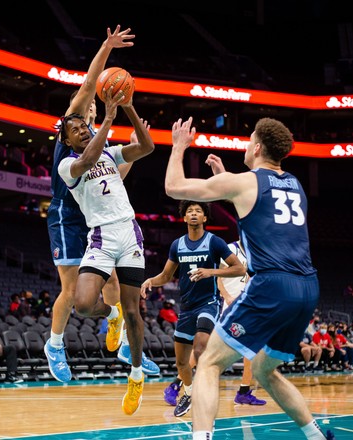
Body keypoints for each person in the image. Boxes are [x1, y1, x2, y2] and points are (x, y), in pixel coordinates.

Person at [164, 117, 335, 439]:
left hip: (272, 285)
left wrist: (178, 147)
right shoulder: (295, 184)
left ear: (257, 147)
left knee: (210, 363)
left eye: (248, 140)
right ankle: (316, 435)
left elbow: (173, 187)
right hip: (307, 287)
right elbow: (259, 209)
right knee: (264, 370)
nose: (245, 145)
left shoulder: (246, 181)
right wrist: (224, 179)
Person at [43, 25, 159, 389]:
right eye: (86, 105)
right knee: (71, 285)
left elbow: (115, 179)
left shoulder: (101, 144)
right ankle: (55, 345)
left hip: (98, 218)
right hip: (67, 213)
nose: (89, 106)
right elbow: (90, 82)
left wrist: (133, 148)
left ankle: (124, 341)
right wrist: (107, 47)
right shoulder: (71, 132)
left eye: (93, 106)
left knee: (112, 281)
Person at [57, 79, 154, 415]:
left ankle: (137, 375)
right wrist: (109, 118)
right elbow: (88, 160)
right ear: (66, 140)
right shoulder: (67, 166)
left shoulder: (111, 153)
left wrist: (127, 105)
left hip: (128, 234)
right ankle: (108, 314)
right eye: (74, 128)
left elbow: (147, 147)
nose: (81, 129)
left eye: (84, 124)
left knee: (133, 311)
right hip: (99, 237)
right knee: (82, 304)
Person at [140, 200, 246, 417]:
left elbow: (239, 269)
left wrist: (211, 272)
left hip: (208, 303)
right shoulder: (177, 245)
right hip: (186, 307)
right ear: (185, 218)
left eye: (198, 211)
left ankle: (206, 389)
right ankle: (188, 393)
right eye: (190, 211)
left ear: (205, 218)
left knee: (200, 347)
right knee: (181, 362)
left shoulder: (214, 242)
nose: (195, 214)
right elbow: (166, 276)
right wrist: (151, 280)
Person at [218, 239, 267, 405]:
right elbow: (218, 276)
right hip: (228, 307)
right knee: (209, 351)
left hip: (242, 308)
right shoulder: (231, 249)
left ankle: (244, 391)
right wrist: (227, 296)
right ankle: (177, 384)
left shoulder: (250, 254)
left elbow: (244, 280)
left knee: (252, 349)